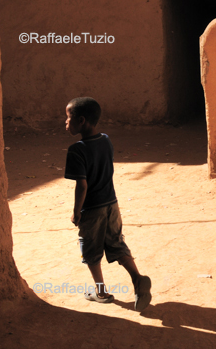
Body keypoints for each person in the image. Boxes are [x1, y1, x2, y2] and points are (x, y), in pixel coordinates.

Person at [64, 97, 151, 311]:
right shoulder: (106, 140)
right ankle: (137, 279)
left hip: (92, 209)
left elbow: (82, 186)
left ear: (82, 120)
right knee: (116, 243)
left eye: (68, 118)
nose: (65, 122)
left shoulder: (76, 150)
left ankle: (101, 291)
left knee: (91, 251)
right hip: (112, 204)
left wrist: (76, 212)